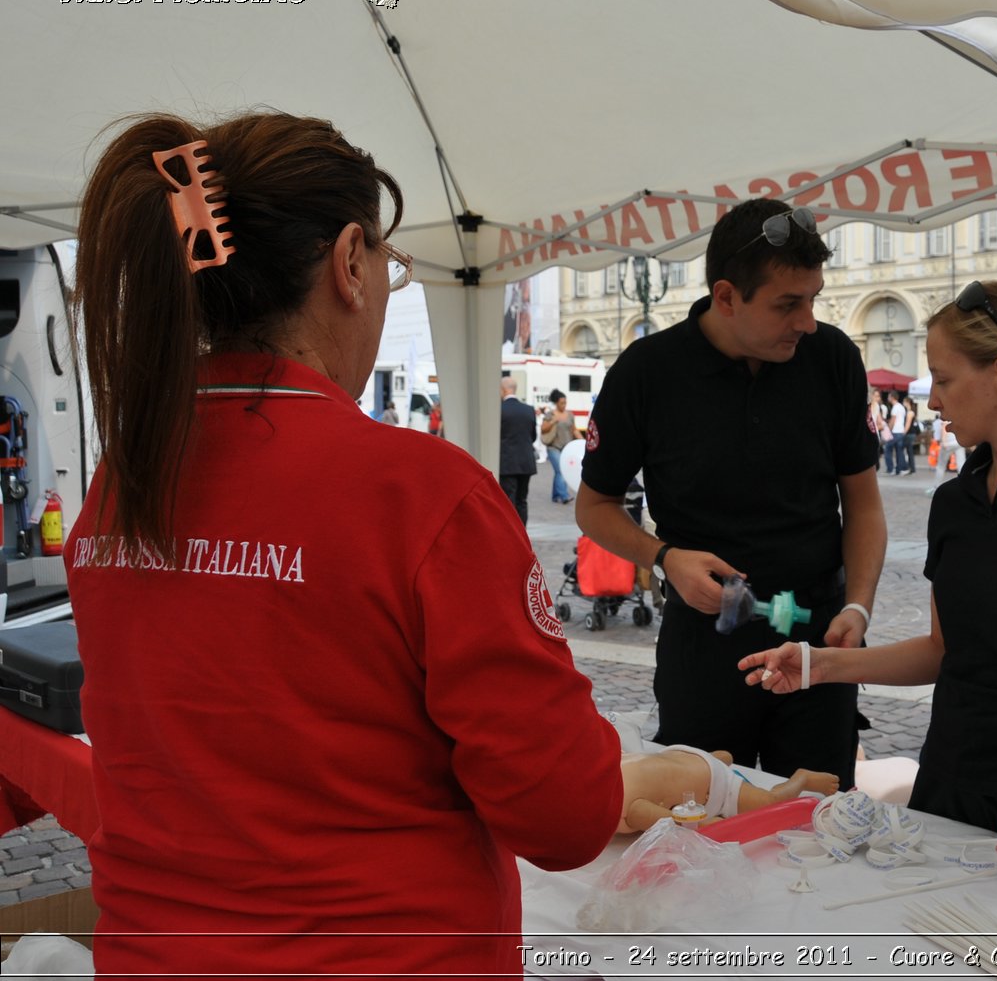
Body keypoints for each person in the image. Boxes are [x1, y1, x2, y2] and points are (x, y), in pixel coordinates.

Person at [64, 111, 622, 977]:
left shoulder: (117, 492)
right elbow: (567, 814)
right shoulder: (420, 495)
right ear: (350, 262)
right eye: (392, 265)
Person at [741, 280, 997, 864]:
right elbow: (946, 650)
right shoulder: (955, 501)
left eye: (943, 379)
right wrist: (817, 663)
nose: (933, 402)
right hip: (944, 796)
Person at [575, 198, 886, 788]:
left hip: (818, 640)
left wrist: (859, 606)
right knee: (703, 825)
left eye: (813, 299)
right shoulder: (648, 373)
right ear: (726, 297)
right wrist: (664, 557)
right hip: (705, 651)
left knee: (820, 828)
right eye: (788, 305)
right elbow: (594, 507)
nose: (808, 322)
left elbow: (864, 505)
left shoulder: (833, 359)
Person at [616, 748, 839, 833]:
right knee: (673, 774)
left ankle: (801, 778)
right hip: (681, 755)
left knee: (770, 800)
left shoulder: (630, 809)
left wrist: (713, 827)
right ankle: (719, 758)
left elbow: (683, 822)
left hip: (713, 784)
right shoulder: (605, 766)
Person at [498, 375, 540, 524]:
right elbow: (533, 436)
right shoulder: (529, 410)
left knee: (508, 500)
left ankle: (510, 534)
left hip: (507, 462)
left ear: (503, 390)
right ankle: (523, 532)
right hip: (525, 462)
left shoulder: (499, 410)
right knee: (522, 500)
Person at [540, 389, 577, 503]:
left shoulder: (570, 415)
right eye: (562, 403)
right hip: (553, 447)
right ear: (556, 403)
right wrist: (553, 421)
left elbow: (574, 430)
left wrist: (583, 441)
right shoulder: (550, 414)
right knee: (561, 471)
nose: (564, 405)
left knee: (558, 472)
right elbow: (543, 429)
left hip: (566, 448)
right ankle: (564, 495)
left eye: (565, 402)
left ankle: (555, 496)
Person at [887, 388, 909, 475]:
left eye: (889, 396)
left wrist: (888, 429)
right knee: (899, 451)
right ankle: (900, 469)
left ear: (892, 397)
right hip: (901, 431)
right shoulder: (901, 407)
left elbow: (893, 421)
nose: (888, 398)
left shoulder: (895, 408)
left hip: (895, 431)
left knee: (887, 449)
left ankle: (890, 468)